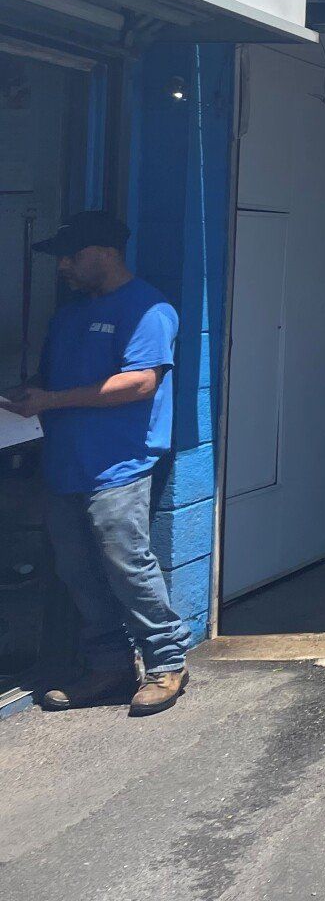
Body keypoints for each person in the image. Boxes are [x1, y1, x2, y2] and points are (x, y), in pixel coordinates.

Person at [2, 212, 191, 716]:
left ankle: (167, 662)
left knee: (128, 565)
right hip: (66, 464)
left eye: (71, 255)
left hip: (119, 465)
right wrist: (25, 398)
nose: (62, 266)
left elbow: (140, 383)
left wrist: (53, 399)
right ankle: (109, 667)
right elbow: (50, 384)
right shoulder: (67, 317)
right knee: (77, 571)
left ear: (103, 253)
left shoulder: (147, 308)